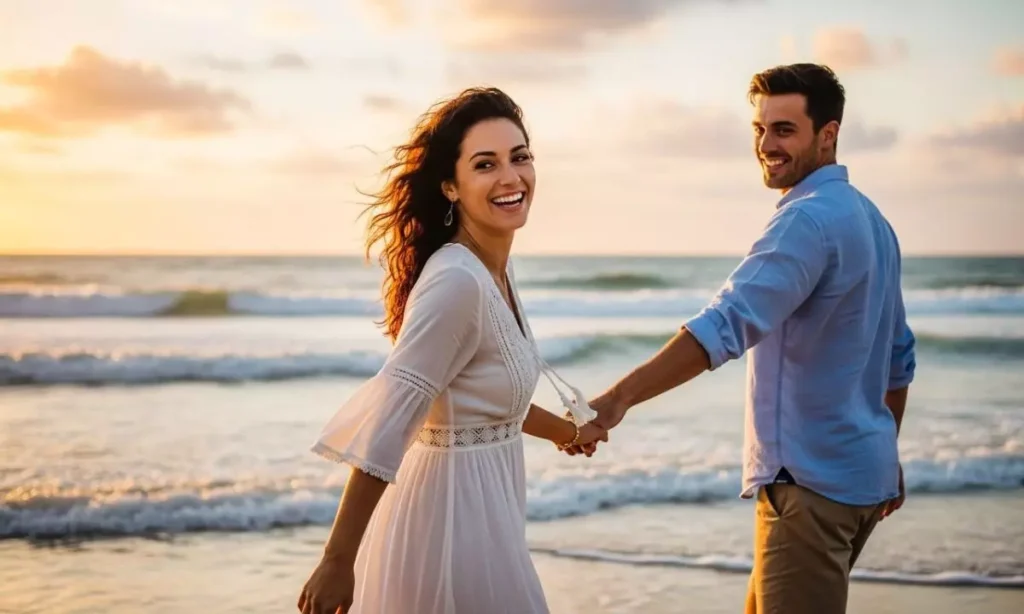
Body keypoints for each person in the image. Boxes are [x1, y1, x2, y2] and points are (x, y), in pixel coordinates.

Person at [570, 63, 917, 613]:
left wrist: (617, 400)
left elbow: (724, 324)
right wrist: (882, 450)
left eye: (784, 130)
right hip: (858, 482)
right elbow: (899, 358)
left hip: (810, 487)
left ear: (828, 136)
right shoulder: (874, 221)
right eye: (759, 129)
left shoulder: (806, 222)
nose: (765, 144)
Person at [296, 87, 606, 614]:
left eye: (520, 157)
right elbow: (392, 416)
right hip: (447, 528)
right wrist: (337, 559)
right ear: (451, 187)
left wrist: (569, 432)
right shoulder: (457, 281)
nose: (511, 178)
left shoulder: (490, 271)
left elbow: (481, 396)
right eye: (485, 164)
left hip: (486, 518)